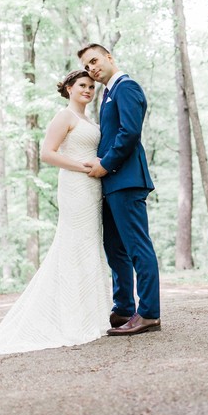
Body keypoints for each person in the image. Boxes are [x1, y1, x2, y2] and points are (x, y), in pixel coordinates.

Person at [0, 70, 111, 357]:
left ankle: (91, 315)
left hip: (92, 188)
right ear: (70, 89)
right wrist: (83, 166)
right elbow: (47, 153)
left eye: (91, 86)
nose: (88, 90)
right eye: (82, 86)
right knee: (73, 245)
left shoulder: (90, 120)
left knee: (88, 245)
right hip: (76, 184)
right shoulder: (65, 117)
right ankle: (71, 319)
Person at [78, 44, 161, 336]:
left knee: (138, 247)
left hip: (126, 179)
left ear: (109, 58)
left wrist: (106, 165)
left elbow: (130, 133)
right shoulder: (108, 94)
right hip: (111, 183)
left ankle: (149, 313)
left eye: (95, 61)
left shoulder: (127, 87)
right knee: (115, 250)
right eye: (87, 67)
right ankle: (123, 308)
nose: (92, 68)